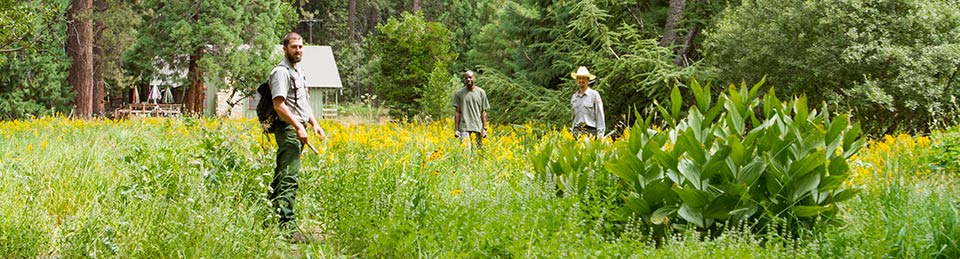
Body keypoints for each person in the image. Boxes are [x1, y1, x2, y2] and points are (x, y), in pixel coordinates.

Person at [268, 32, 325, 243]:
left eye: (300, 47)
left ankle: (268, 216)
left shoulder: (299, 72)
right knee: (289, 179)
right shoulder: (281, 72)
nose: (298, 50)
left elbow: (303, 104)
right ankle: (288, 228)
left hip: (299, 129)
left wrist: (314, 124)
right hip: (288, 131)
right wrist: (298, 127)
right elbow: (279, 105)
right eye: (294, 47)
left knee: (281, 175)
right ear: (285, 49)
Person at [451, 70, 490, 150]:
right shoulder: (459, 93)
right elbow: (457, 112)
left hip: (478, 127)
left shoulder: (481, 92)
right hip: (464, 127)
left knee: (478, 151)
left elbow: (483, 112)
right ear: (464, 80)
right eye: (466, 78)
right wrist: (456, 129)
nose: (468, 79)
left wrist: (484, 128)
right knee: (466, 151)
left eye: (470, 77)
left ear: (474, 78)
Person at [570, 66, 605, 139]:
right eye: (579, 78)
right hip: (576, 132)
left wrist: (600, 135)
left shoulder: (594, 95)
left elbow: (599, 115)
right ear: (577, 80)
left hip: (590, 132)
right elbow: (573, 118)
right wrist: (572, 133)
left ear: (588, 80)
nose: (581, 80)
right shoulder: (574, 97)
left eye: (583, 78)